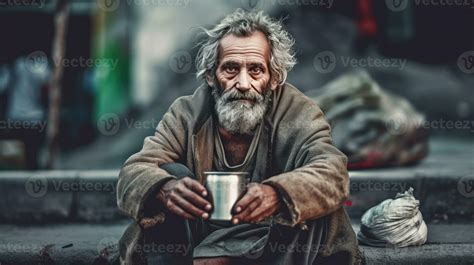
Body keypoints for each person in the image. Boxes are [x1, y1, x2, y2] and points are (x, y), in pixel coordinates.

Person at [117, 9, 361, 265]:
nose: (243, 83)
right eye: (231, 69)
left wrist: (279, 193)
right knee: (170, 174)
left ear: (274, 78)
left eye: (256, 70)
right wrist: (165, 189)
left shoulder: (299, 112)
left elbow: (333, 171)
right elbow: (135, 169)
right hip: (203, 231)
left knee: (315, 204)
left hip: (275, 238)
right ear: (212, 76)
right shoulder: (186, 113)